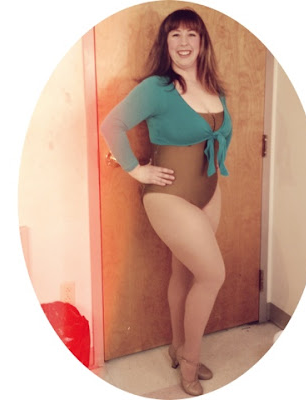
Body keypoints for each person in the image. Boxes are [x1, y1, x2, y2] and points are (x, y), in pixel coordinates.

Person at [100, 8, 232, 396]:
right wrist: (136, 170)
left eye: (192, 34)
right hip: (169, 197)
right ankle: (189, 363)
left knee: (186, 272)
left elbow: (218, 137)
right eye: (175, 35)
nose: (184, 42)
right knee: (213, 275)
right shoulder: (157, 88)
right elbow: (111, 125)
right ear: (166, 43)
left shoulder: (214, 86)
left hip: (209, 192)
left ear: (202, 42)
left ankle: (177, 347)